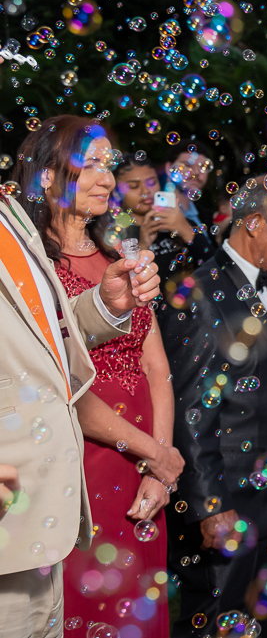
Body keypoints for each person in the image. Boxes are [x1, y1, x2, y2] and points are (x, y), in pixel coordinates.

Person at [0, 117, 174, 638]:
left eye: (108, 166)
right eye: (89, 164)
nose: (105, 178)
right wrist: (155, 451)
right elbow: (49, 369)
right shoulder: (31, 256)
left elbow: (156, 367)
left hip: (142, 455)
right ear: (47, 177)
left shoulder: (117, 257)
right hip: (76, 454)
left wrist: (159, 464)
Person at [160, 177, 267, 638]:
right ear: (252, 224)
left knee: (255, 624)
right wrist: (209, 507)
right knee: (216, 623)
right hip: (230, 503)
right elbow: (189, 410)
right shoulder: (202, 293)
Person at [114, 154, 217, 277]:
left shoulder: (183, 222)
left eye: (152, 183)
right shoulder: (117, 236)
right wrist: (143, 244)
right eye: (134, 186)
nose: (145, 191)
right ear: (116, 191)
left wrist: (185, 229)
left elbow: (215, 270)